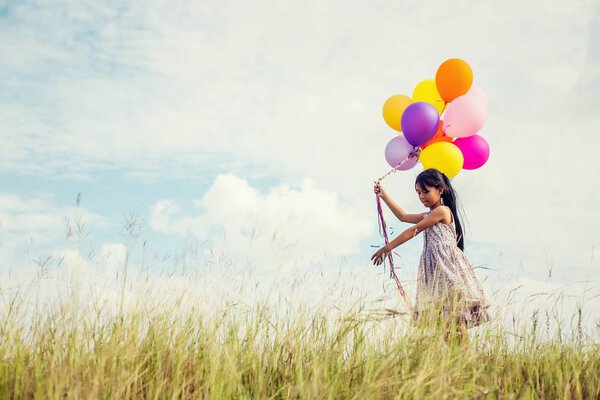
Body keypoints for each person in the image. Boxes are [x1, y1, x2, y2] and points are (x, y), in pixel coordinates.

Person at [371, 168, 491, 346]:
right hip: (435, 275)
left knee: (455, 321)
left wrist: (387, 248)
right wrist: (384, 195)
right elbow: (403, 217)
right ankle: (457, 362)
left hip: (448, 271)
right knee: (444, 324)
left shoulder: (442, 211)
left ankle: (467, 360)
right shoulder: (428, 214)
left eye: (425, 191)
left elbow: (414, 230)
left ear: (440, 190)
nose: (421, 196)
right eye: (418, 192)